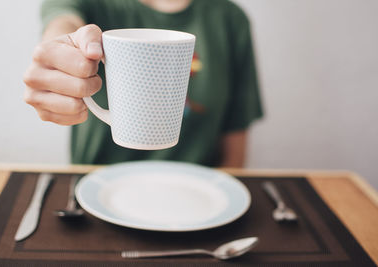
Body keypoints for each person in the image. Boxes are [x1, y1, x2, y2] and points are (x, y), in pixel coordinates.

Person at [23, 0, 263, 167]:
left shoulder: (229, 19)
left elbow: (235, 153)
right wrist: (62, 52)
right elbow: (63, 21)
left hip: (194, 199)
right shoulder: (90, 3)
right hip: (95, 191)